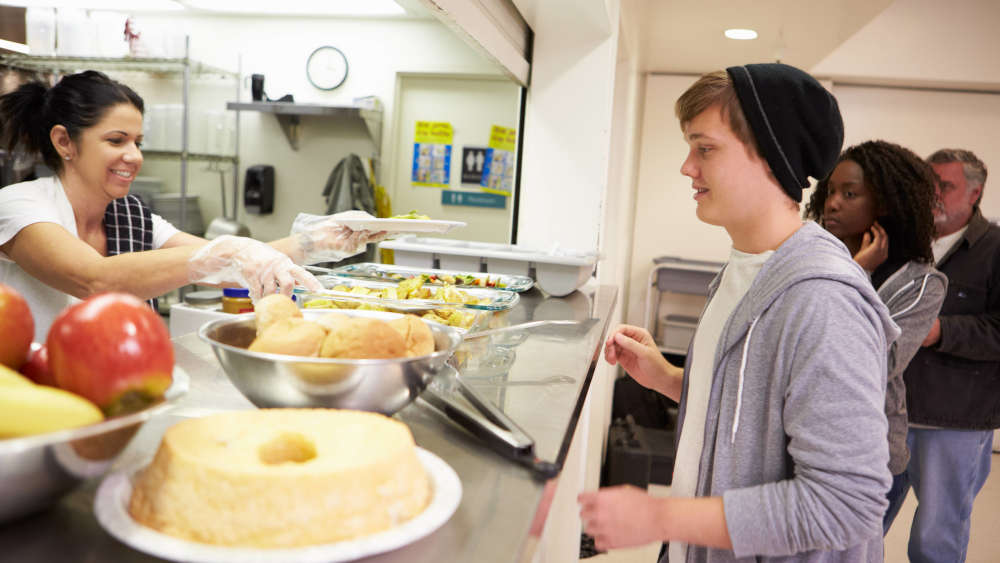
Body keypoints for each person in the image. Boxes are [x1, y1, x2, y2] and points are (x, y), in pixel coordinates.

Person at [578, 64, 897, 562]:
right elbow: (759, 405)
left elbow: (846, 503)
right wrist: (670, 379)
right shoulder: (743, 267)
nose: (687, 167)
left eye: (705, 148)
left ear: (771, 157)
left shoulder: (823, 301)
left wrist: (661, 516)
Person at [0, 70, 381, 341]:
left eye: (138, 142)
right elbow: (94, 279)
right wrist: (223, 253)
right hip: (30, 401)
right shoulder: (20, 206)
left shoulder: (132, 216)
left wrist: (319, 241)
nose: (133, 156)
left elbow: (231, 262)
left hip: (115, 384)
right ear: (64, 142)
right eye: (116, 140)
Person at [804, 140, 947, 534]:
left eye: (850, 194)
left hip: (870, 458)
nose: (833, 203)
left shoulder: (922, 284)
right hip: (802, 446)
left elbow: (874, 361)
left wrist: (855, 274)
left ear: (883, 202)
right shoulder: (807, 257)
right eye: (831, 191)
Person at [894, 148, 1000, 562]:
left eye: (946, 186)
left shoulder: (994, 249)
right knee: (858, 523)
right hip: (888, 414)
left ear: (974, 194)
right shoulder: (902, 242)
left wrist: (940, 332)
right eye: (928, 183)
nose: (933, 193)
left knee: (934, 540)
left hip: (954, 421)